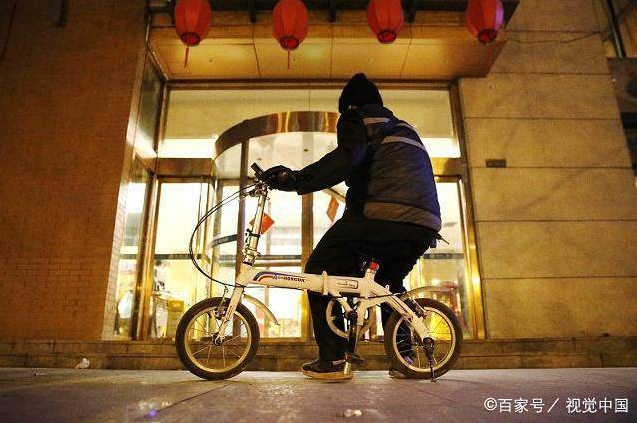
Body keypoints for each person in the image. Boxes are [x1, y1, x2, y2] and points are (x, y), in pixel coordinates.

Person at [258, 73, 441, 381]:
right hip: (424, 225)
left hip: (381, 216)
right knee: (388, 284)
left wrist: (296, 180)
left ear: (350, 106)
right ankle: (406, 358)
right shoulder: (403, 127)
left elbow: (346, 159)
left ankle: (333, 359)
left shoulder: (357, 118)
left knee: (320, 272)